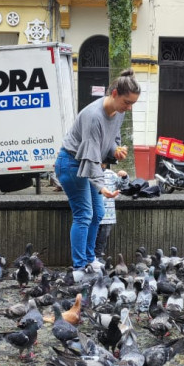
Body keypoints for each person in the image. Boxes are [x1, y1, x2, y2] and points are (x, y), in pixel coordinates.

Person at [54, 69, 140, 269]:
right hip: (71, 163)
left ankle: (90, 258)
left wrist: (116, 151)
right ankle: (79, 266)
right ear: (115, 93)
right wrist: (102, 187)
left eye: (132, 104)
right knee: (84, 214)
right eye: (127, 102)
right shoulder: (93, 116)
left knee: (98, 212)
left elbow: (110, 142)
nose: (128, 108)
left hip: (89, 163)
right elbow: (91, 156)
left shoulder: (118, 112)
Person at [95, 163, 129, 259]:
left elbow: (122, 185)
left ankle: (99, 256)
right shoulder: (90, 174)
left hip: (108, 215)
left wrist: (124, 176)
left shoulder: (110, 174)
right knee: (93, 236)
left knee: (103, 237)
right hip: (95, 212)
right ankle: (92, 257)